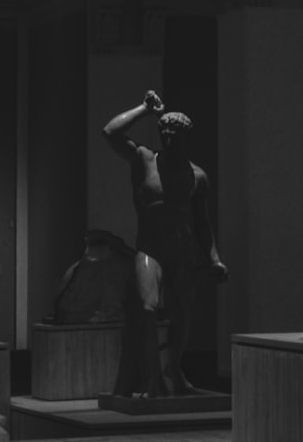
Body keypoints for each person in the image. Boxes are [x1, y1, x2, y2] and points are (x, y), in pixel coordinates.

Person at [103, 91, 228, 397]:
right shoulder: (144, 160)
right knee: (147, 309)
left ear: (187, 138)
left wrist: (214, 259)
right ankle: (150, 378)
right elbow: (111, 131)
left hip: (183, 253)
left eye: (175, 135)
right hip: (150, 250)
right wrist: (145, 110)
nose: (169, 139)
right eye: (164, 134)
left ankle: (174, 370)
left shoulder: (197, 177)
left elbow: (202, 223)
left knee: (182, 316)